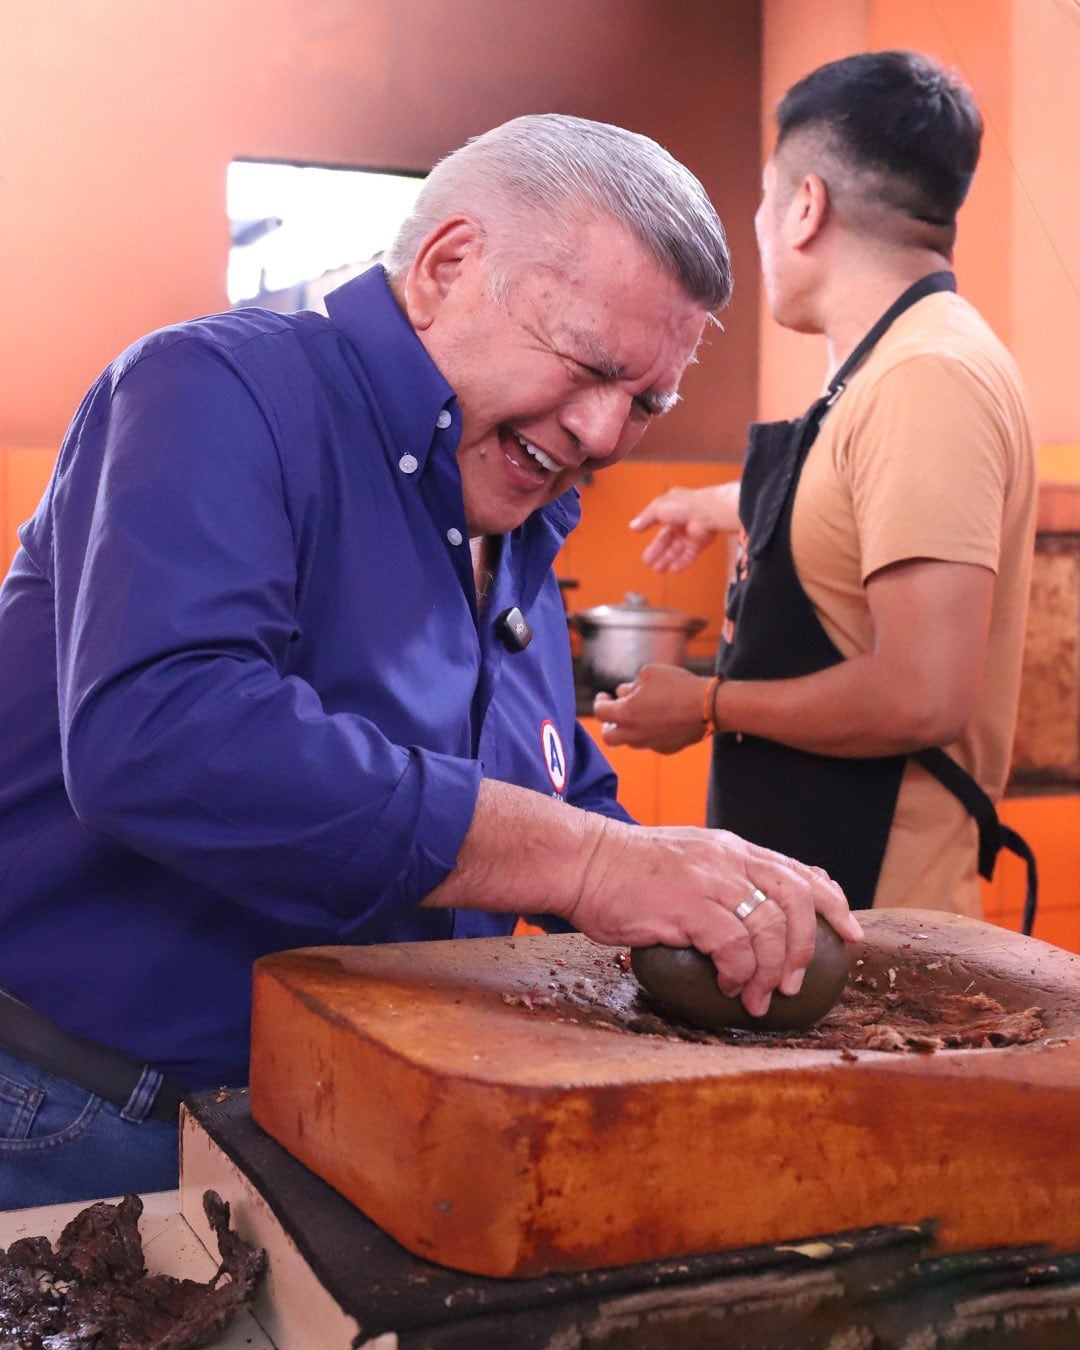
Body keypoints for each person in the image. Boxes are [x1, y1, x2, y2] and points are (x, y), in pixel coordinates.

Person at [0, 114, 859, 1209]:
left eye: (646, 400)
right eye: (591, 364)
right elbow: (166, 733)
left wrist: (702, 888)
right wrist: (593, 865)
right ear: (449, 267)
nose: (604, 433)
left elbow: (551, 792)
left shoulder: (514, 515)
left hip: (323, 1114)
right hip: (85, 1112)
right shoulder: (216, 391)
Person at [598, 52, 1038, 924]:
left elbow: (922, 692)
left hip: (881, 925)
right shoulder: (889, 366)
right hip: (830, 913)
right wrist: (711, 506)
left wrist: (710, 701)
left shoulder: (929, 377)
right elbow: (841, 498)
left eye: (766, 197)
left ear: (806, 207)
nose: (759, 223)